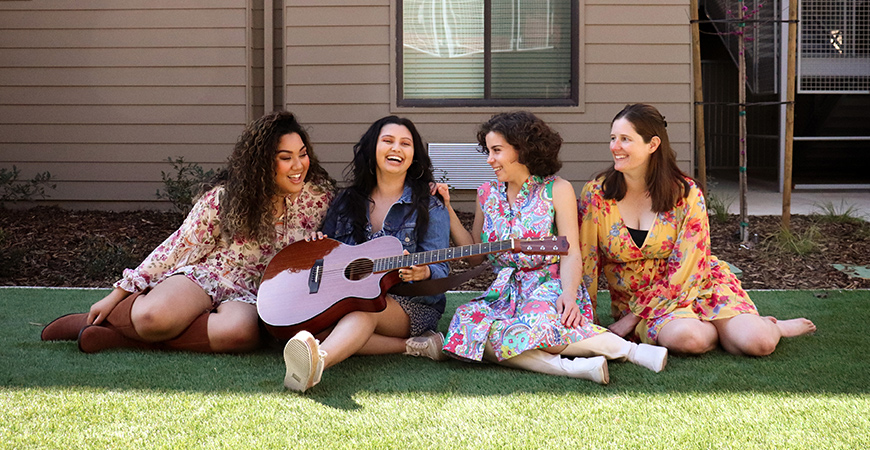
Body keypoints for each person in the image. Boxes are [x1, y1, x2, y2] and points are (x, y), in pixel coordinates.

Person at [41, 111, 335, 353]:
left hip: (253, 293)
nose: (299, 166)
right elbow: (176, 248)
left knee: (239, 335)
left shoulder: (318, 199)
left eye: (303, 154)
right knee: (150, 316)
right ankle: (107, 319)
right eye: (286, 157)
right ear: (262, 163)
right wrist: (116, 294)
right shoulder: (225, 199)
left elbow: (332, 245)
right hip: (210, 274)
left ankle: (119, 337)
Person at [436, 111, 667, 385]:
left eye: (497, 150)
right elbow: (476, 258)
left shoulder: (557, 189)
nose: (490, 160)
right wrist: (447, 208)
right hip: (504, 291)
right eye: (488, 151)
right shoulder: (486, 192)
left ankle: (631, 351)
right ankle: (573, 368)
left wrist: (569, 294)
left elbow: (570, 251)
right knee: (465, 324)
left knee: (539, 328)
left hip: (550, 284)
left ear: (522, 148)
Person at [578, 103, 816, 356]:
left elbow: (687, 267)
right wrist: (586, 320)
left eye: (625, 139)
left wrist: (631, 320)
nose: (615, 147)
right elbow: (587, 261)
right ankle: (717, 328)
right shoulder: (597, 194)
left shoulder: (686, 194)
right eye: (613, 138)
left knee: (759, 343)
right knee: (690, 338)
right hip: (638, 298)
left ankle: (773, 327)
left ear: (653, 145)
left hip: (699, 283)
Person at [282, 116, 451, 393]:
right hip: (349, 297)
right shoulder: (348, 201)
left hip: (410, 305)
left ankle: (317, 364)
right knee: (320, 327)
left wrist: (424, 271)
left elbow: (441, 270)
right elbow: (330, 257)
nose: (396, 148)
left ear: (413, 156)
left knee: (364, 307)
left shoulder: (430, 206)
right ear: (373, 149)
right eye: (388, 141)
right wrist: (317, 245)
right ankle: (416, 347)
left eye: (405, 144)